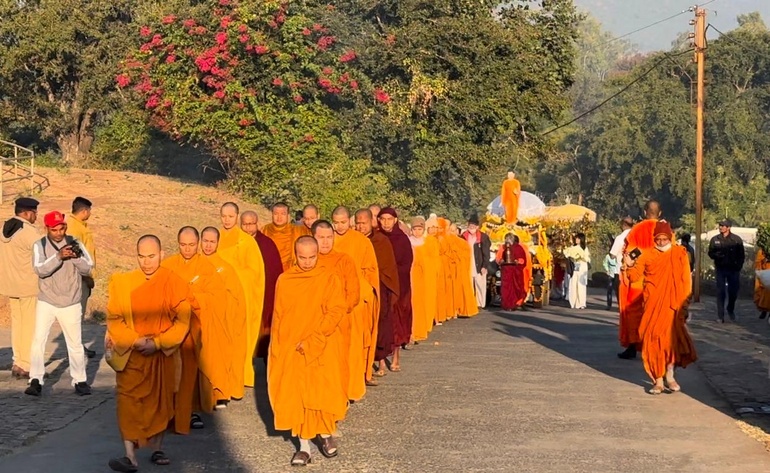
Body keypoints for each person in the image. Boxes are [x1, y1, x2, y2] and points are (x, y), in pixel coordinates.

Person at [105, 235, 192, 472]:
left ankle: (157, 448)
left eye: (151, 256)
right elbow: (114, 320)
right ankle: (129, 456)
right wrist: (135, 340)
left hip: (161, 354)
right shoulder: (123, 283)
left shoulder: (173, 282)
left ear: (162, 254)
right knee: (127, 401)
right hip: (132, 353)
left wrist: (159, 343)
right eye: (141, 256)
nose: (146, 262)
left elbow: (183, 322)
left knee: (160, 403)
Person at [268, 236, 348, 466]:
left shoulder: (327, 278)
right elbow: (280, 315)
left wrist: (316, 337)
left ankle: (325, 434)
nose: (307, 262)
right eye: (302, 258)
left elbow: (335, 310)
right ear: (295, 255)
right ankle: (303, 447)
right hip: (292, 346)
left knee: (319, 391)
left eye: (312, 257)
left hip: (320, 344)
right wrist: (279, 346)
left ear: (317, 255)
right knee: (297, 395)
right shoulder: (285, 280)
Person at [162, 227, 231, 430]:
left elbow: (218, 297)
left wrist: (191, 297)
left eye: (192, 245)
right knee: (171, 370)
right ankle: (169, 410)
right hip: (172, 327)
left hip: (196, 326)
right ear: (177, 243)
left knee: (191, 368)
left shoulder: (206, 267)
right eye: (183, 245)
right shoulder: (168, 265)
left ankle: (190, 410)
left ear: (198, 243)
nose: (187, 249)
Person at [25, 211, 94, 396]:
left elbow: (88, 266)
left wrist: (75, 257)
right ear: (47, 228)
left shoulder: (76, 242)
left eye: (62, 228)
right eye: (54, 229)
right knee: (38, 341)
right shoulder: (39, 245)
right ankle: (35, 380)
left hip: (71, 301)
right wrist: (58, 257)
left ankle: (80, 380)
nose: (59, 232)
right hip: (47, 301)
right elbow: (40, 270)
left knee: (75, 344)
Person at [624, 221, 697, 394]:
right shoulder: (647, 255)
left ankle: (670, 376)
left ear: (671, 237)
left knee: (670, 343)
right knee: (653, 342)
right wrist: (629, 263)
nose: (662, 242)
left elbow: (686, 280)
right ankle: (657, 380)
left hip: (673, 306)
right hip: (652, 305)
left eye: (665, 238)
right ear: (654, 239)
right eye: (659, 239)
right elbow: (634, 277)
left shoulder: (679, 254)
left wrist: (685, 303)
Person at [330, 206, 380, 393]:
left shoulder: (361, 241)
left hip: (357, 299)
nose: (340, 226)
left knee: (354, 344)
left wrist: (364, 291)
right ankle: (337, 385)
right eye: (336, 222)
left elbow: (370, 271)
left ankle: (353, 385)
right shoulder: (328, 239)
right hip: (334, 298)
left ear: (350, 220)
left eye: (343, 222)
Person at [219, 202, 266, 388]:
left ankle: (242, 374)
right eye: (224, 216)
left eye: (230, 216)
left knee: (241, 336)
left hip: (241, 297)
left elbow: (254, 272)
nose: (227, 220)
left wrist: (231, 273)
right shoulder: (215, 238)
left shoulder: (247, 242)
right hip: (221, 297)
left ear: (237, 217)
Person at [200, 227, 247, 401]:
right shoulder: (195, 265)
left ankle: (220, 391)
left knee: (220, 356)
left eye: (212, 242)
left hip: (221, 319)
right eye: (205, 241)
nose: (208, 245)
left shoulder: (225, 268)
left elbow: (236, 297)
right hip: (199, 318)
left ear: (218, 243)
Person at [355, 209, 399, 378]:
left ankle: (380, 362)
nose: (360, 226)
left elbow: (389, 268)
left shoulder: (381, 241)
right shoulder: (352, 240)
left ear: (371, 222)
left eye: (364, 223)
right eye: (358, 223)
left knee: (379, 327)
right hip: (357, 291)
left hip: (378, 289)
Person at [0, 197, 40, 379]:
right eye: (34, 212)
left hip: (10, 284)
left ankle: (18, 361)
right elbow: (43, 251)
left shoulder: (4, 228)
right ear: (26, 212)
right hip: (28, 285)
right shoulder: (28, 232)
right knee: (29, 326)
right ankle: (26, 364)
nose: (36, 216)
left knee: (18, 325)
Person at [618, 200, 661, 360]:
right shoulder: (665, 231)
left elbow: (630, 253)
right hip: (658, 280)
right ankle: (653, 347)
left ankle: (632, 345)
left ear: (644, 212)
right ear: (660, 213)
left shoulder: (636, 230)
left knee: (633, 313)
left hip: (638, 279)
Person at [240, 210, 283, 360]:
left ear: (257, 224)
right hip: (242, 295)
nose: (248, 228)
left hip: (262, 295)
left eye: (251, 224)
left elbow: (274, 272)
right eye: (245, 224)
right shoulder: (236, 243)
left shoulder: (267, 244)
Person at [377, 208, 414, 370]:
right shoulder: (377, 238)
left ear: (395, 220)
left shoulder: (402, 239)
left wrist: (392, 274)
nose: (386, 222)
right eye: (383, 219)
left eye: (389, 219)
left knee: (397, 321)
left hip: (400, 286)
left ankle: (396, 359)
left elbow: (407, 264)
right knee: (383, 322)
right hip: (382, 284)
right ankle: (380, 361)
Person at [67, 196, 97, 358]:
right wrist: (87, 277)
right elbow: (76, 256)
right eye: (89, 210)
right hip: (79, 278)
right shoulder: (75, 228)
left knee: (78, 314)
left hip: (82, 276)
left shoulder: (77, 225)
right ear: (84, 211)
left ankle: (77, 346)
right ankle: (76, 348)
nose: (90, 213)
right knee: (76, 315)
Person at [708, 218, 745, 322]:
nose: (721, 227)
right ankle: (720, 316)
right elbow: (710, 253)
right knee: (720, 292)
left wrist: (739, 266)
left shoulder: (736, 240)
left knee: (733, 292)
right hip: (721, 268)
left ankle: (730, 308)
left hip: (733, 269)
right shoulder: (715, 239)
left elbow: (741, 255)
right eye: (720, 225)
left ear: (728, 227)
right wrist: (716, 255)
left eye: (723, 225)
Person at [409, 217, 436, 342]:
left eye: (420, 229)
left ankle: (420, 329)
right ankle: (411, 331)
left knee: (421, 304)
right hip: (411, 277)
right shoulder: (408, 242)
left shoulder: (428, 243)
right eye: (415, 229)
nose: (417, 232)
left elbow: (432, 261)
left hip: (424, 277)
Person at [262, 202, 304, 270]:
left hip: (289, 271)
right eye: (276, 214)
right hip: (269, 269)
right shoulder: (264, 230)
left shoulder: (297, 231)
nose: (279, 217)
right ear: (272, 215)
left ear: (288, 215)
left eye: (283, 214)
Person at [449, 223, 479, 317]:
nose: (451, 233)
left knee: (460, 290)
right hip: (449, 270)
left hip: (460, 270)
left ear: (457, 231)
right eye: (450, 230)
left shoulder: (462, 243)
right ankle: (451, 311)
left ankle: (460, 309)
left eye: (453, 231)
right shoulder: (445, 241)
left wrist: (457, 257)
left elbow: (466, 254)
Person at [462, 215, 491, 309]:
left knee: (480, 284)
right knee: (469, 285)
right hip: (468, 263)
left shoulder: (483, 237)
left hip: (479, 263)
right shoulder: (463, 236)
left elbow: (486, 253)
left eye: (474, 226)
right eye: (470, 226)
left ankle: (480, 303)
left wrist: (484, 266)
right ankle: (470, 303)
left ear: (477, 227)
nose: (472, 228)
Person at [496, 233, 526, 311]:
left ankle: (513, 304)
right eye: (506, 240)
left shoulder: (518, 248)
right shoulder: (503, 248)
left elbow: (523, 260)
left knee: (515, 288)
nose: (507, 242)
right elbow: (499, 258)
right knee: (506, 288)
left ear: (512, 240)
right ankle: (506, 304)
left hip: (515, 271)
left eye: (509, 239)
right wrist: (501, 261)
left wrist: (517, 261)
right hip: (506, 270)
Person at [609, 217, 633, 305]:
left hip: (621, 271)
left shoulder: (619, 238)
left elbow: (612, 255)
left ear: (623, 225)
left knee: (622, 296)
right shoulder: (637, 236)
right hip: (636, 270)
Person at [564, 233, 591, 309]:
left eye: (578, 239)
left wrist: (581, 256)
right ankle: (573, 302)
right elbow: (567, 254)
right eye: (576, 238)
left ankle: (581, 303)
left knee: (581, 285)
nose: (576, 240)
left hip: (582, 267)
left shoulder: (585, 248)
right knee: (573, 283)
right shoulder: (572, 247)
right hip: (574, 267)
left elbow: (587, 258)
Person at [754, 241, 770, 320]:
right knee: (765, 290)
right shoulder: (762, 251)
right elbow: (758, 262)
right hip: (766, 270)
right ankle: (764, 309)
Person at [603, 246, 619, 311]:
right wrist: (607, 270)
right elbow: (605, 263)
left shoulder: (619, 256)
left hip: (617, 274)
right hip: (611, 274)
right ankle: (609, 305)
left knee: (617, 290)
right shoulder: (607, 256)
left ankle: (619, 305)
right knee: (609, 289)